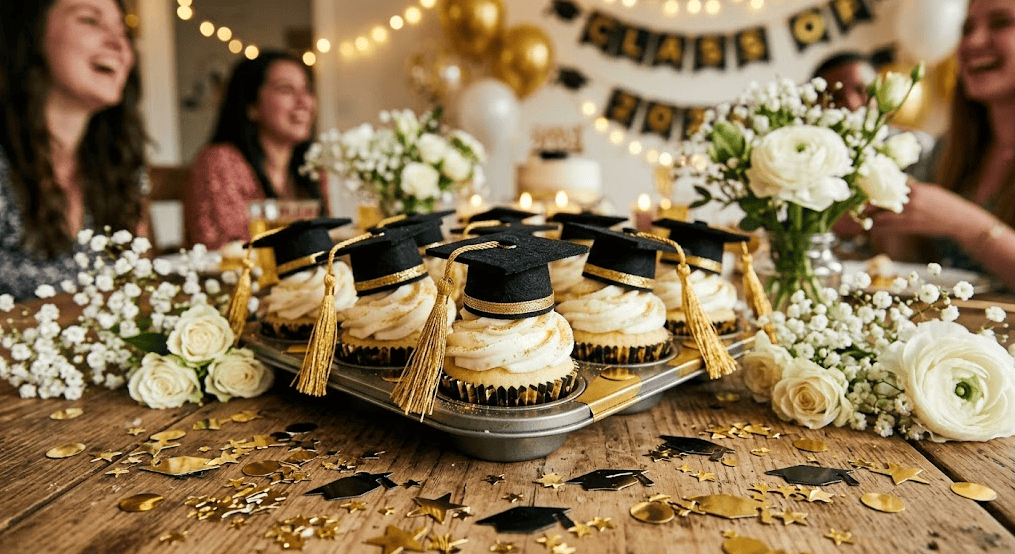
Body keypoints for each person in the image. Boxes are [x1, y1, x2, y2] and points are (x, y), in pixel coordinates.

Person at [0, 0, 146, 300]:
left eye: (124, 31)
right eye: (90, 21)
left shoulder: (121, 164)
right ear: (31, 34)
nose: (118, 43)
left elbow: (139, 290)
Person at [871, 0, 1015, 291]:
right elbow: (918, 268)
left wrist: (966, 224)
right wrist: (885, 220)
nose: (973, 41)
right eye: (966, 28)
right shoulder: (947, 151)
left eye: (1001, 23)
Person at [184, 51, 327, 251]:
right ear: (251, 105)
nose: (303, 102)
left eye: (307, 90)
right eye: (286, 89)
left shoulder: (310, 169)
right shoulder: (219, 162)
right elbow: (229, 251)